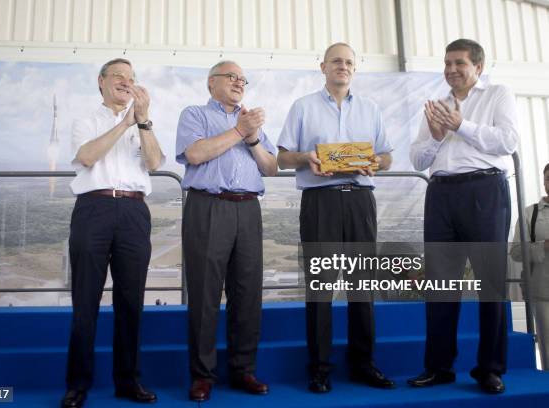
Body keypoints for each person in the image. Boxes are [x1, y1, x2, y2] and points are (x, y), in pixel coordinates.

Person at [277, 42, 394, 393]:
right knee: (321, 288)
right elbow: (282, 158)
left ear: (354, 69)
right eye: (336, 61)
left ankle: (363, 364)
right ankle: (319, 368)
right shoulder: (303, 107)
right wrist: (307, 157)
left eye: (348, 62)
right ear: (323, 67)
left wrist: (375, 162)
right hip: (320, 201)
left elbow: (387, 158)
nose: (342, 66)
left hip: (360, 200)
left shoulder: (371, 109)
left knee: (362, 287)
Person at [408, 39, 519, 393]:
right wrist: (438, 136)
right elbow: (418, 160)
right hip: (440, 194)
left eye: (459, 63)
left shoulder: (498, 95)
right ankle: (438, 366)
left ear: (478, 67)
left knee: (490, 282)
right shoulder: (437, 106)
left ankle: (490, 368)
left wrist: (461, 125)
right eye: (447, 63)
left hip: (484, 192)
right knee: (440, 285)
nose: (451, 69)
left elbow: (508, 141)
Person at [62, 58, 164, 408]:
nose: (126, 82)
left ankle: (128, 380)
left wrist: (144, 121)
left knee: (131, 301)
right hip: (94, 208)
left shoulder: (143, 123)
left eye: (132, 78)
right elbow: (88, 156)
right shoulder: (85, 120)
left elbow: (154, 163)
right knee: (85, 301)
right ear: (101, 81)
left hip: (135, 211)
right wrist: (125, 123)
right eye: (119, 76)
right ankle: (77, 385)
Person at [175, 60, 278, 402]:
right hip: (208, 207)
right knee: (204, 294)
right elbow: (195, 153)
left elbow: (271, 167)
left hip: (248, 208)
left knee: (247, 294)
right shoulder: (195, 115)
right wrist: (237, 131)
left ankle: (243, 370)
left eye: (242, 78)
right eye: (231, 76)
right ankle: (202, 376)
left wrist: (251, 139)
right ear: (211, 83)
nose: (238, 82)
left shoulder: (252, 122)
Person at [511, 163, 549, 369]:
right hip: (543, 293)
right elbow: (516, 252)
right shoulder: (529, 214)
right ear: (544, 183)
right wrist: (543, 246)